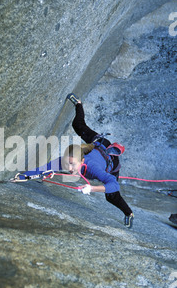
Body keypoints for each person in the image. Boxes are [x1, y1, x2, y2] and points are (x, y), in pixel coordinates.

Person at [12, 96, 134, 228]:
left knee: (111, 196)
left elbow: (114, 185)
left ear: (81, 161)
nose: (69, 168)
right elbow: (41, 169)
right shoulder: (65, 161)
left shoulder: (93, 168)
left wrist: (92, 188)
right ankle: (79, 104)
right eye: (67, 163)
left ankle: (129, 213)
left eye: (73, 164)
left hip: (109, 158)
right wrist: (21, 176)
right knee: (78, 125)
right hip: (96, 145)